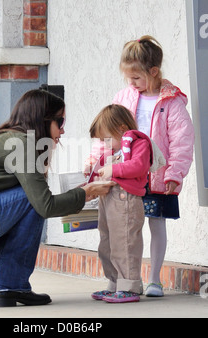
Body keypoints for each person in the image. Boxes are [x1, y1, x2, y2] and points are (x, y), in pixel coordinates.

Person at [0, 89, 113, 307]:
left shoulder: (7, 138)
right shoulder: (22, 144)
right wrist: (85, 193)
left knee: (22, 215)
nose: (63, 130)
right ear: (42, 119)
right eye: (60, 121)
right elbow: (45, 205)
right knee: (32, 201)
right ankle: (12, 285)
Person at [88, 35, 195, 297]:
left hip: (157, 175)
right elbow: (108, 131)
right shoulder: (124, 96)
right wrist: (95, 160)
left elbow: (182, 141)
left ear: (153, 72)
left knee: (156, 223)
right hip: (126, 176)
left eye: (136, 78)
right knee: (124, 227)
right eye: (128, 78)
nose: (131, 83)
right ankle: (122, 279)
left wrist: (175, 173)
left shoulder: (171, 102)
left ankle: (155, 279)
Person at [88, 104, 153, 303]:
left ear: (122, 129)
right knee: (107, 241)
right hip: (109, 198)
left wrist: (113, 169)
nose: (105, 145)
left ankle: (129, 285)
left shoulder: (138, 143)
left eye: (106, 139)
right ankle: (115, 282)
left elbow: (138, 166)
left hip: (126, 199)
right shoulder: (116, 148)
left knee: (124, 241)